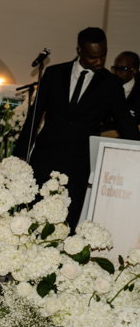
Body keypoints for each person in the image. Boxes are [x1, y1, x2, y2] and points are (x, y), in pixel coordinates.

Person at [14, 28, 140, 227]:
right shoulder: (54, 73)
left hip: (78, 165)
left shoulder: (111, 84)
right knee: (30, 217)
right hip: (44, 159)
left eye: (103, 55)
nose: (99, 61)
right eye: (93, 57)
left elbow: (126, 123)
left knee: (66, 224)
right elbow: (34, 116)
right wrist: (20, 154)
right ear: (79, 50)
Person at [112, 51, 139, 117]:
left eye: (123, 69)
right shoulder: (107, 86)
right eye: (116, 68)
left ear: (134, 71)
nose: (117, 72)